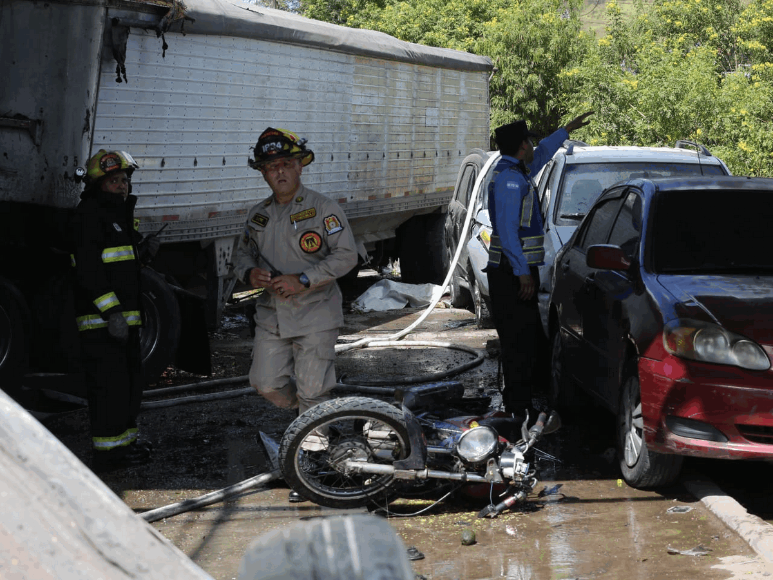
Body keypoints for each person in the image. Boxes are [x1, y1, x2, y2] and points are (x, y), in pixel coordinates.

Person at [233, 128, 357, 475]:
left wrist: (303, 279)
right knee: (265, 383)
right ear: (262, 172)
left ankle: (313, 462)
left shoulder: (322, 208)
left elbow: (346, 256)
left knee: (314, 389)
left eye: (286, 164)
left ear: (300, 166)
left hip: (316, 311)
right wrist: (249, 273)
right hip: (272, 314)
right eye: (271, 167)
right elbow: (241, 255)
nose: (280, 172)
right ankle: (317, 417)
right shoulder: (258, 215)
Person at [485, 112, 593, 415]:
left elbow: (543, 153)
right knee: (518, 343)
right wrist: (523, 274)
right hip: (511, 273)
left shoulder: (516, 170)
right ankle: (517, 410)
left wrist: (565, 131)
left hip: (514, 270)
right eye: (529, 141)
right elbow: (508, 233)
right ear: (522, 146)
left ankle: (520, 405)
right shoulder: (509, 179)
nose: (534, 146)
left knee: (524, 340)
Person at [71, 149, 160, 472]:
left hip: (124, 323)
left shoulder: (116, 216)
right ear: (99, 184)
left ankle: (126, 444)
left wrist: (144, 253)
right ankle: (108, 454)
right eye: (114, 181)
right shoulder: (89, 215)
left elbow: (120, 267)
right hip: (102, 323)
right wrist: (112, 313)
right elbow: (88, 270)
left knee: (128, 387)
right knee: (108, 390)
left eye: (124, 180)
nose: (122, 186)